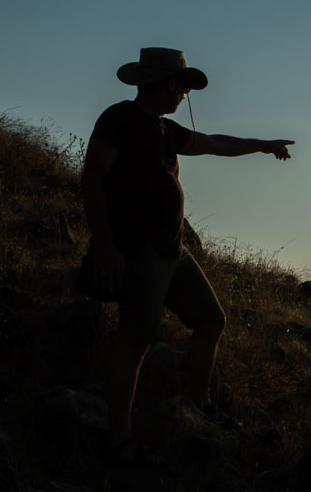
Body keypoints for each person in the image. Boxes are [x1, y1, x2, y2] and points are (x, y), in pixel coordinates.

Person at [80, 47, 294, 465]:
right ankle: (119, 439)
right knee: (135, 344)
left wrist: (263, 145)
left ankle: (200, 404)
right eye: (182, 85)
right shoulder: (120, 119)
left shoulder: (166, 130)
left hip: (172, 252)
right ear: (163, 82)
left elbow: (216, 144)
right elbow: (92, 179)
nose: (185, 94)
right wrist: (106, 245)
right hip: (137, 251)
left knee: (211, 320)